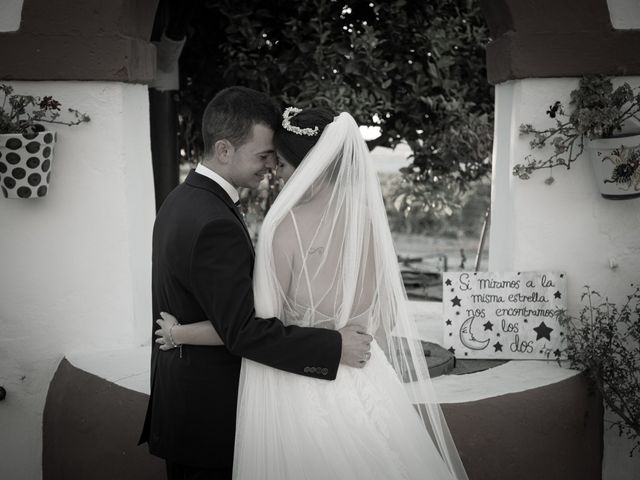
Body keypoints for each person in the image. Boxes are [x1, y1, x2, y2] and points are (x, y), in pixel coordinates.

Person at [156, 106, 469, 479]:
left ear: (310, 168)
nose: (276, 173)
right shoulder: (369, 220)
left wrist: (179, 333)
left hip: (301, 388)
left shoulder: (283, 228)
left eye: (283, 165)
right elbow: (380, 318)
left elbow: (253, 325)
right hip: (368, 379)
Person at [138, 88, 373, 480]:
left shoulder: (182, 199)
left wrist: (180, 333)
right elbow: (242, 330)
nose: (270, 167)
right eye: (264, 155)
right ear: (225, 150)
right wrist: (335, 346)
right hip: (210, 421)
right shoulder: (213, 220)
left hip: (189, 409)